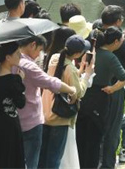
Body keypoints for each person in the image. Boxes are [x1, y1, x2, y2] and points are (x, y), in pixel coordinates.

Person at [16, 35, 78, 169]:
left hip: (15, 120)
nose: (39, 54)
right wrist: (71, 89)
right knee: (32, 162)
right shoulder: (28, 65)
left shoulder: (9, 62)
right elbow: (51, 82)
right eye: (39, 50)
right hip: (31, 121)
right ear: (32, 45)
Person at [40, 33, 95, 169]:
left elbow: (62, 76)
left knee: (43, 157)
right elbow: (78, 92)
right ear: (77, 54)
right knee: (54, 158)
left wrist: (80, 71)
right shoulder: (69, 68)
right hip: (59, 117)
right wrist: (87, 74)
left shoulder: (55, 58)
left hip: (45, 113)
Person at [77, 27, 125, 169]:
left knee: (81, 136)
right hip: (100, 97)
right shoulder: (110, 57)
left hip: (83, 95)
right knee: (96, 138)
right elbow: (124, 78)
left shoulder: (86, 54)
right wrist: (112, 89)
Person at [100, 6, 125, 167]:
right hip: (114, 87)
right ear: (117, 22)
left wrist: (122, 38)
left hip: (96, 87)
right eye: (121, 19)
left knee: (101, 125)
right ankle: (109, 162)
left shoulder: (97, 32)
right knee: (113, 127)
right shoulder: (118, 45)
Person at [0, 42, 26, 169]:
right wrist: (20, 80)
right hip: (10, 127)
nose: (20, 56)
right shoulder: (13, 80)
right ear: (8, 57)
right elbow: (21, 103)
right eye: (17, 53)